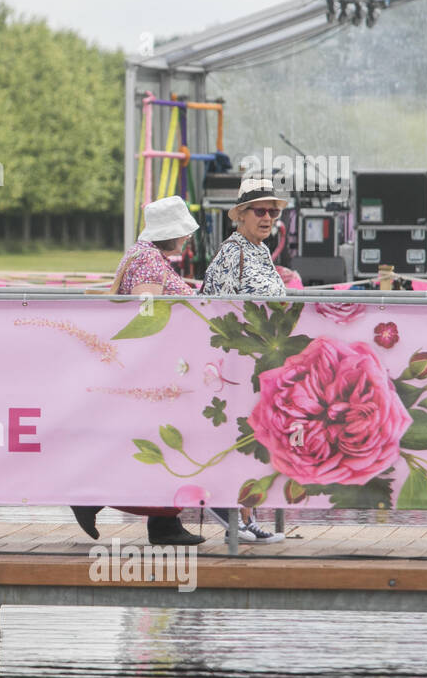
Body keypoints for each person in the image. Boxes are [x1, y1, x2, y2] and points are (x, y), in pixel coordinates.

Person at [70, 196, 206, 546]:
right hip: (156, 370)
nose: (187, 238)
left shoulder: (141, 253)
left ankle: (102, 499)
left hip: (149, 368)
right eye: (183, 232)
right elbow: (147, 316)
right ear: (170, 233)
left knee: (147, 446)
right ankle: (146, 517)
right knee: (165, 444)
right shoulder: (148, 261)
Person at [196, 175, 288, 543]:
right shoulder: (231, 253)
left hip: (257, 360)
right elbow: (218, 311)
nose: (267, 217)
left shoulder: (261, 251)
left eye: (272, 211)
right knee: (238, 436)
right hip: (234, 362)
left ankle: (244, 517)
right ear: (242, 216)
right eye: (259, 210)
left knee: (253, 438)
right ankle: (230, 511)